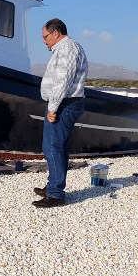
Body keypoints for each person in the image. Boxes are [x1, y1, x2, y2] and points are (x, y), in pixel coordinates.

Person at [33, 18, 88, 208]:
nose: (44, 40)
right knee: (59, 147)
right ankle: (53, 186)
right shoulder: (70, 48)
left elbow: (62, 81)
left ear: (56, 33)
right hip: (68, 102)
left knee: (52, 146)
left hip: (65, 103)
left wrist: (52, 108)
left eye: (45, 36)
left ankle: (55, 194)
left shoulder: (67, 49)